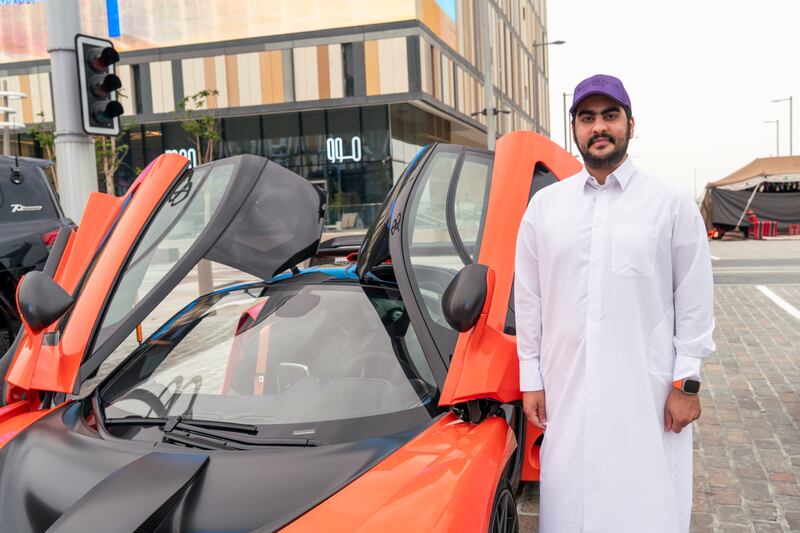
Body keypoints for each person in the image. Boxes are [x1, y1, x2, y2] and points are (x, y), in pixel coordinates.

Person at [514, 74, 715, 533]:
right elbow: (529, 299)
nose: (599, 127)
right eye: (587, 118)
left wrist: (686, 384)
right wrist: (532, 379)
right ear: (575, 129)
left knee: (646, 503)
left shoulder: (670, 203)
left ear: (630, 123)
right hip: (568, 388)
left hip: (645, 395)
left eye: (610, 116)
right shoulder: (545, 208)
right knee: (570, 502)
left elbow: (695, 300)